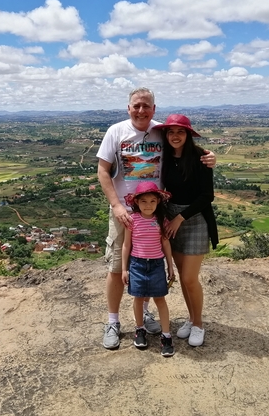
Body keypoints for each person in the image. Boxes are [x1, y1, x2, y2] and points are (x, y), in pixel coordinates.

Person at [96, 88, 216, 350]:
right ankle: (113, 321)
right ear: (128, 108)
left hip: (158, 210)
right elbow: (103, 171)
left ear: (154, 108)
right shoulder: (116, 131)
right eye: (136, 106)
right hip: (125, 212)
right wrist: (116, 206)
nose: (141, 111)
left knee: (150, 260)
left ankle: (147, 313)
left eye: (146, 106)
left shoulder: (161, 131)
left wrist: (209, 156)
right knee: (118, 267)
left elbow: (184, 145)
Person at [154, 114, 219, 347]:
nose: (175, 136)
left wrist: (180, 218)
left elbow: (206, 196)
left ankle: (199, 324)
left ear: (188, 134)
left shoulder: (201, 158)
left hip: (193, 219)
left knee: (190, 278)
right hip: (171, 218)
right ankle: (191, 320)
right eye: (171, 132)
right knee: (183, 277)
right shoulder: (164, 157)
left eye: (180, 132)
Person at [121, 181, 175, 357]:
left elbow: (165, 243)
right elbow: (126, 245)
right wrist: (124, 269)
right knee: (138, 298)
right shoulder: (132, 220)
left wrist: (170, 266)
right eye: (143, 201)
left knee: (160, 299)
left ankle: (166, 336)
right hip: (137, 264)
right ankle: (140, 329)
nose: (148, 205)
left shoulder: (161, 220)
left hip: (157, 264)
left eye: (152, 201)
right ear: (136, 202)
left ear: (158, 202)